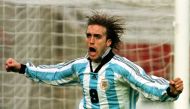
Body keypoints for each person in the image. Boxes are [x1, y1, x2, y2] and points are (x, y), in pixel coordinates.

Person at [5, 12, 183, 109]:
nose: (91, 40)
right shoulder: (80, 66)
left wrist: (169, 90)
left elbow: (147, 84)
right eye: (88, 35)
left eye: (97, 37)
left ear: (108, 42)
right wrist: (22, 68)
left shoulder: (122, 68)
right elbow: (53, 73)